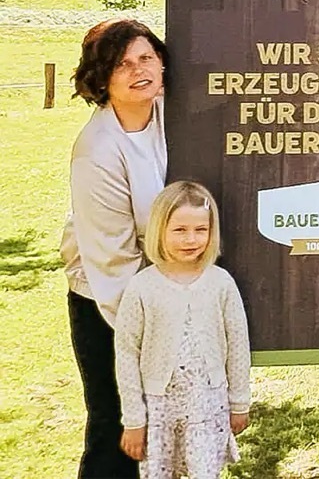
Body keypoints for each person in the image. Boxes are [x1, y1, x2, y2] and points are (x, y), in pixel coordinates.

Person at [61, 18, 169, 479]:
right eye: (122, 64)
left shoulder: (171, 113)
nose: (138, 70)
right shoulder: (98, 149)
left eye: (146, 57)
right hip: (109, 302)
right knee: (119, 430)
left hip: (164, 291)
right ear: (101, 77)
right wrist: (154, 337)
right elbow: (113, 262)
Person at [114, 180, 251, 479]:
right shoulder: (142, 287)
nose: (191, 239)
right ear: (160, 230)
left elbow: (238, 345)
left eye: (200, 230)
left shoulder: (221, 283)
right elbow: (126, 353)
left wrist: (239, 402)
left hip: (207, 404)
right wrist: (134, 419)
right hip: (159, 409)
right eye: (180, 230)